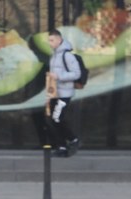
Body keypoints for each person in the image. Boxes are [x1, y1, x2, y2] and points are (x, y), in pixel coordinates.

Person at [43, 29, 82, 157]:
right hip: (55, 94)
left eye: (52, 40)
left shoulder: (67, 56)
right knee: (52, 120)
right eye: (49, 40)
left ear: (59, 40)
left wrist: (58, 76)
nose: (50, 43)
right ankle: (62, 147)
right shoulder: (54, 56)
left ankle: (73, 139)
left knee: (56, 118)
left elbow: (76, 73)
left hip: (64, 94)